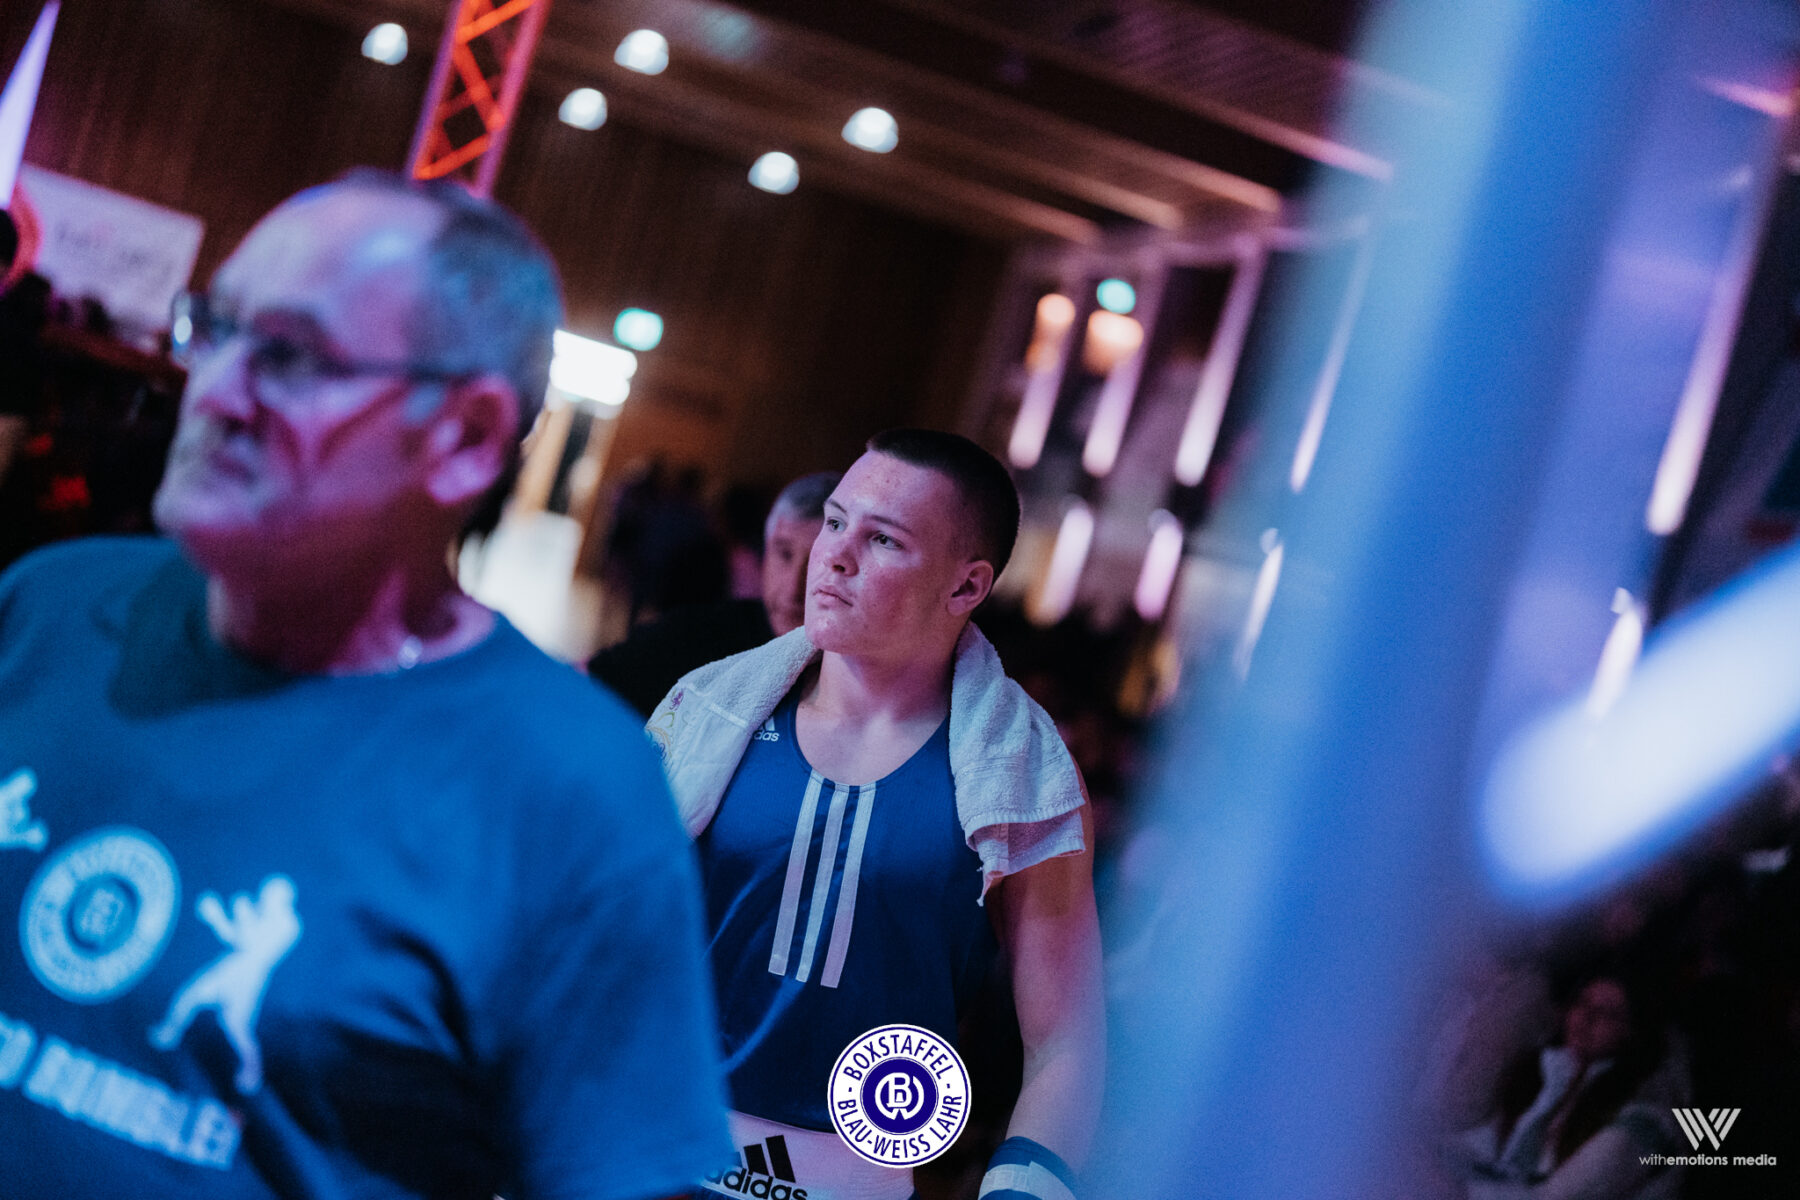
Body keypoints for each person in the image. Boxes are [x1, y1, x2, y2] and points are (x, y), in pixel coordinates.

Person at [0, 170, 729, 1198]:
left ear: (464, 438)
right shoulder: (48, 608)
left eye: (292, 356)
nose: (216, 391)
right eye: (217, 327)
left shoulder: (571, 792)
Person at [650, 430, 1104, 1200]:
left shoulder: (1025, 778)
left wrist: (1024, 1190)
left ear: (966, 587)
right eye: (835, 521)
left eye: (883, 539)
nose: (834, 555)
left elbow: (1066, 1042)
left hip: (858, 1179)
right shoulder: (705, 710)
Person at [590, 471, 839, 716]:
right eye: (784, 554)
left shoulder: (847, 683)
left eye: (818, 562)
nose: (794, 587)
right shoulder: (699, 633)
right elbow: (595, 676)